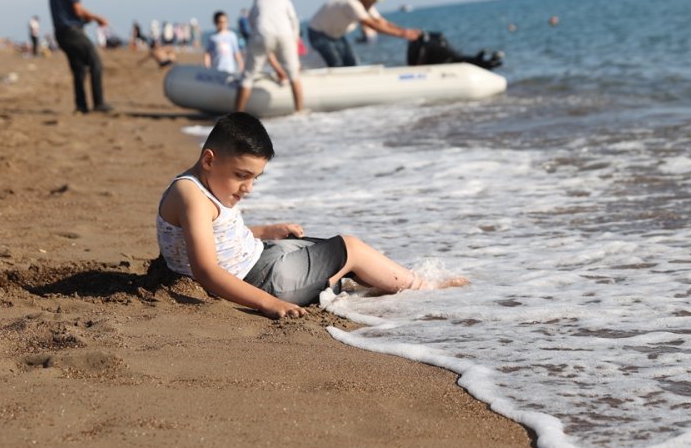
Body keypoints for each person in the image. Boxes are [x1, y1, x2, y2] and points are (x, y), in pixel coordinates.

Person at [156, 112, 467, 319]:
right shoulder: (192, 197)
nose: (248, 188)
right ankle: (422, 289)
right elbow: (207, 269)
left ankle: (359, 278)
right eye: (242, 175)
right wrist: (270, 304)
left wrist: (264, 231)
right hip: (258, 283)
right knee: (350, 248)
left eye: (256, 178)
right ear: (209, 160)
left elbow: (216, 236)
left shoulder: (203, 187)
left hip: (255, 261)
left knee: (314, 244)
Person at [47, 0, 112, 114]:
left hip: (61, 34)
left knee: (79, 69)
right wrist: (96, 18)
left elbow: (68, 13)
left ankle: (81, 105)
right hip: (71, 33)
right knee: (95, 63)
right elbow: (77, 9)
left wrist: (85, 20)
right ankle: (98, 103)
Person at [307, 0, 422, 67]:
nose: (375, 2)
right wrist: (402, 34)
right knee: (336, 62)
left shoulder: (366, 6)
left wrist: (405, 31)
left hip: (336, 35)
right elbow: (371, 24)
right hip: (318, 33)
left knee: (350, 62)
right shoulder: (352, 3)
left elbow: (381, 22)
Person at [235, 0, 304, 114]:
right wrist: (294, 41)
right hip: (286, 35)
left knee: (248, 77)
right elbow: (294, 21)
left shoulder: (257, 2)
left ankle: (237, 115)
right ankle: (299, 111)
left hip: (261, 35)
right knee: (294, 74)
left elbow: (252, 23)